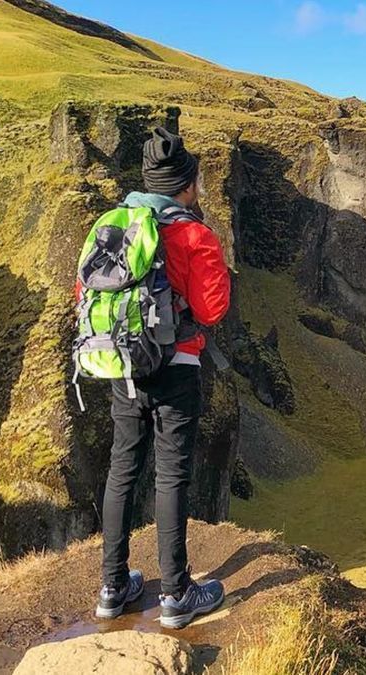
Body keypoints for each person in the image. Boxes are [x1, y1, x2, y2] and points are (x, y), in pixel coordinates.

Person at [92, 127, 232, 629]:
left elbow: (87, 292)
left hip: (123, 367)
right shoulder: (194, 234)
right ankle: (175, 595)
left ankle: (113, 588)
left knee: (122, 470)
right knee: (171, 476)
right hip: (176, 369)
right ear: (188, 186)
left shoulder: (113, 225)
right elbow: (213, 308)